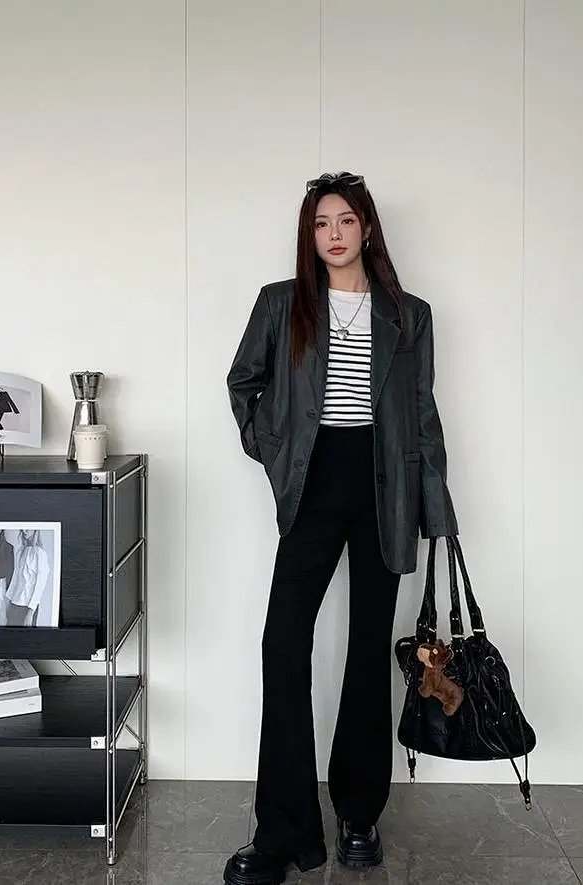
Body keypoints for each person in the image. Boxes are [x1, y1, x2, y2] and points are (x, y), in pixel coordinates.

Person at [223, 171, 458, 884]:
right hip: (314, 483)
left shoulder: (407, 315)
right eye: (321, 222)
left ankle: (359, 813)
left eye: (345, 220)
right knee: (283, 643)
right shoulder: (281, 303)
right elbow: (243, 384)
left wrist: (437, 514)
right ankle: (282, 830)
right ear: (309, 233)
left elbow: (421, 414)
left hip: (385, 487)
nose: (333, 233)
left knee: (366, 649)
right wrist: (279, 450)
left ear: (366, 229)